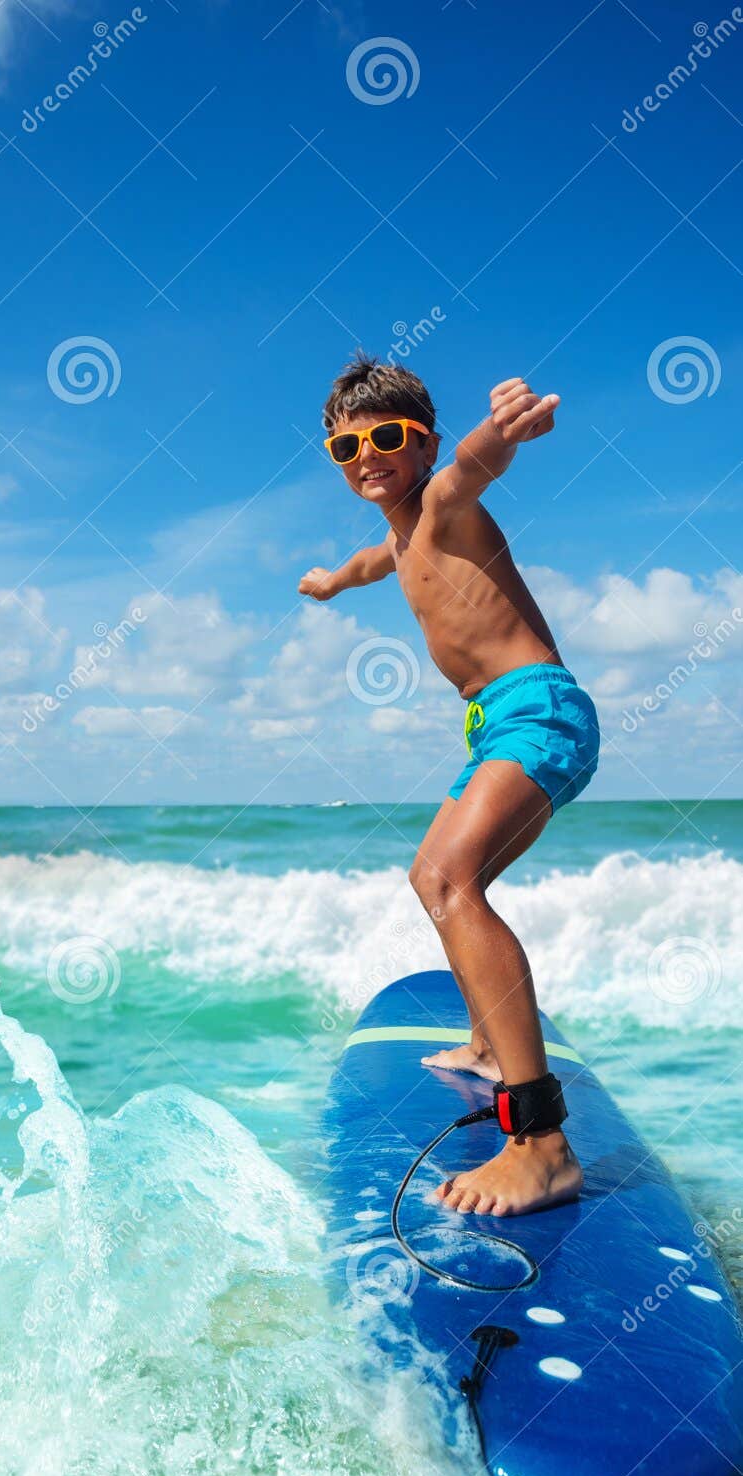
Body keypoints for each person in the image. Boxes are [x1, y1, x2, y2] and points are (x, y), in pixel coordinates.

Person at [299, 354, 599, 1217]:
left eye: (388, 437)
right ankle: (486, 1042)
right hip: (495, 727)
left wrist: (504, 431)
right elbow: (367, 564)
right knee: (436, 878)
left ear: (422, 444)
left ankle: (541, 1142)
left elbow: (473, 466)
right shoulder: (397, 540)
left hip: (536, 710)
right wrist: (327, 582)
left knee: (448, 879)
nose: (367, 455)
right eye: (345, 446)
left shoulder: (440, 503)